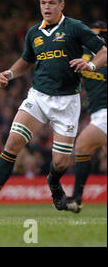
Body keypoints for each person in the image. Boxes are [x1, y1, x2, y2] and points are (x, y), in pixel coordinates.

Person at [0, 0, 107, 216]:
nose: (47, 7)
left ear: (61, 5)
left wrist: (91, 65)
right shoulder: (34, 33)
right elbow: (26, 61)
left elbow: (103, 51)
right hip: (38, 97)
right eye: (43, 3)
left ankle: (53, 182)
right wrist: (9, 74)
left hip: (67, 102)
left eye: (52, 3)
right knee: (12, 144)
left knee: (61, 163)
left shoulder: (74, 28)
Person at [67, 21, 107, 213]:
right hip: (98, 113)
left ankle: (76, 198)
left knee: (82, 145)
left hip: (105, 113)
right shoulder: (84, 54)